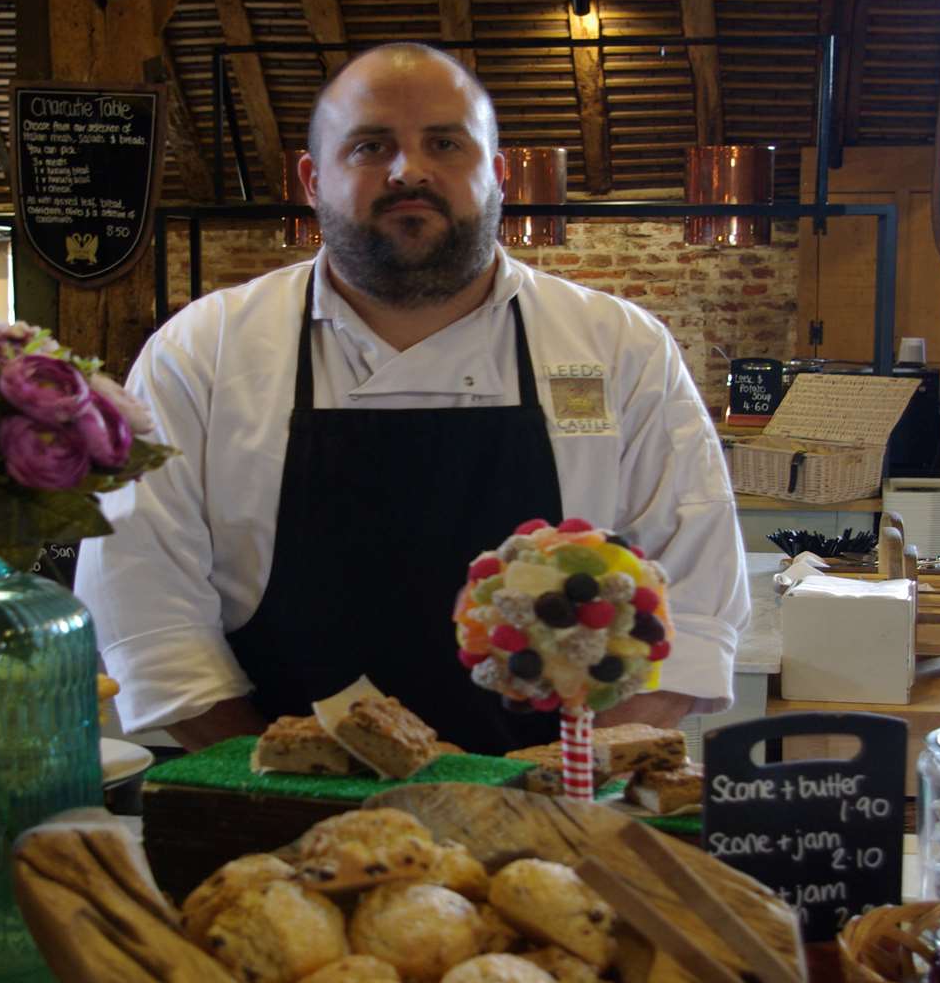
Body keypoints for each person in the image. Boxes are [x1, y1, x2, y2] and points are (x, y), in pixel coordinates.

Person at [76, 42, 750, 754]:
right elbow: (145, 611)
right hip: (265, 818)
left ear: (494, 174)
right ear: (312, 179)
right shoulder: (203, 353)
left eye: (444, 144)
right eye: (370, 146)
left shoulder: (619, 347)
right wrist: (262, 787)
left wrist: (543, 790)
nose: (409, 171)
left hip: (556, 823)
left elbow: (692, 610)